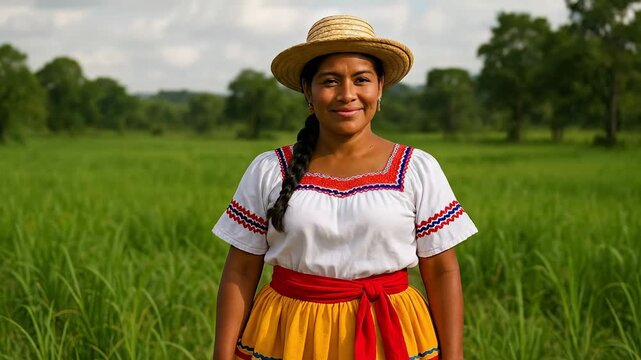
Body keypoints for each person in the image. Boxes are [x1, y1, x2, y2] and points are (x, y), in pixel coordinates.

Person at [212, 15, 477, 360]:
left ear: (380, 87)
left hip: (391, 332)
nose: (347, 94)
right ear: (308, 90)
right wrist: (222, 354)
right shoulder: (269, 169)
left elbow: (442, 270)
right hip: (290, 333)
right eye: (330, 81)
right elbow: (242, 269)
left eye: (361, 79)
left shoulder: (416, 168)